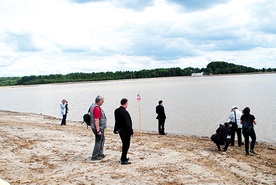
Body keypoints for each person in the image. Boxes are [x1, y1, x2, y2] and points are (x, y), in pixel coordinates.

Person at [114, 98, 133, 165]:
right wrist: (131, 132)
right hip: (125, 131)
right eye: (127, 103)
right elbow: (127, 123)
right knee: (126, 145)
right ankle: (123, 159)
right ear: (125, 104)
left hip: (120, 130)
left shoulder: (117, 110)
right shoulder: (125, 112)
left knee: (124, 144)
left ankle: (123, 157)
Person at [89, 95, 107, 160]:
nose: (103, 103)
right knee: (98, 141)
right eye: (102, 101)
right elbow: (96, 119)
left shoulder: (93, 106)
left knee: (102, 139)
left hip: (95, 127)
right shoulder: (96, 108)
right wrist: (98, 130)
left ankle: (100, 153)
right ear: (99, 101)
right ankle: (95, 155)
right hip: (98, 127)